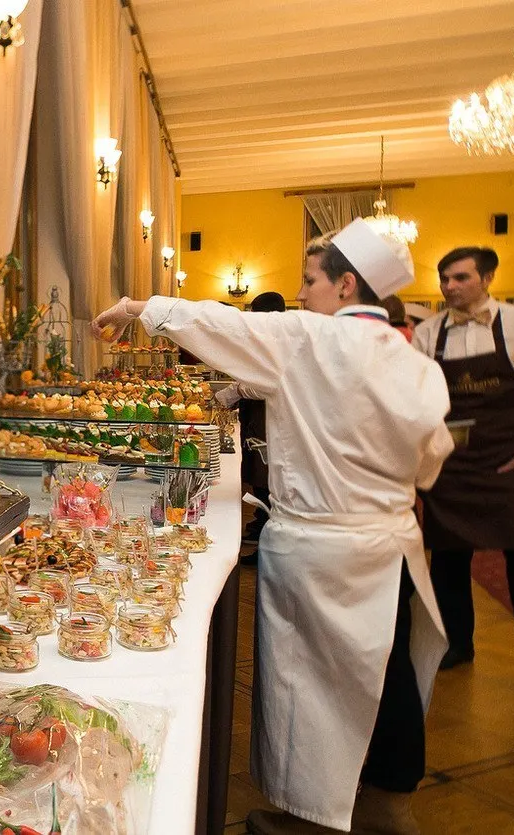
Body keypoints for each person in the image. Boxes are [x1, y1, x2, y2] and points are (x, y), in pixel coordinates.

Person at [93, 219, 452, 835]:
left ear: (345, 285)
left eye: (310, 280)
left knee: (306, 690)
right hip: (386, 545)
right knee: (384, 672)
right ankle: (389, 801)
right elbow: (431, 460)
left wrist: (136, 308)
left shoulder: (306, 337)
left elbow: (219, 323)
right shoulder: (414, 362)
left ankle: (310, 817)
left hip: (315, 548)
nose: (302, 292)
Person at [412, 247, 514, 671]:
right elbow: (418, 400)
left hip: (509, 462)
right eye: (444, 279)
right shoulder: (428, 333)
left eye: (460, 277)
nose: (449, 287)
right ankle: (457, 644)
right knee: (448, 560)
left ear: (488, 277)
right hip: (452, 464)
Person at [214, 291, 286, 567]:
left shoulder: (278, 342)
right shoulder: (271, 339)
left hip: (269, 417)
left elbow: (265, 384)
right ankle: (259, 524)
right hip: (259, 416)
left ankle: (266, 544)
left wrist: (235, 391)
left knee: (267, 478)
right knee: (258, 475)